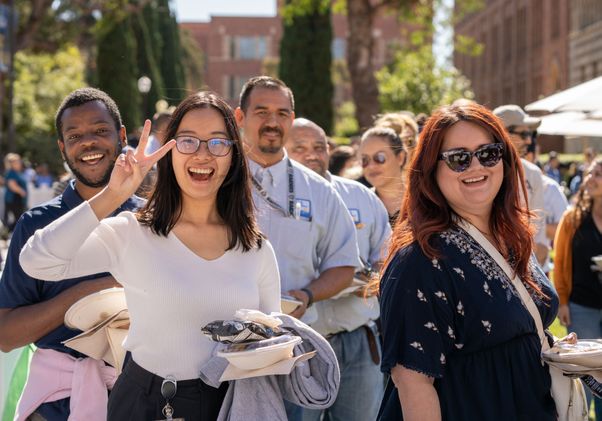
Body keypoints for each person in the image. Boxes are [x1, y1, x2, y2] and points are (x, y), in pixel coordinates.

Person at [19, 91, 281, 420]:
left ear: (233, 157)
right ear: (167, 152)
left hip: (226, 405)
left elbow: (274, 339)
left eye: (217, 143)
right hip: (140, 401)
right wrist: (112, 194)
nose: (202, 155)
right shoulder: (132, 232)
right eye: (187, 141)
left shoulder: (255, 248)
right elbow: (37, 261)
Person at [378, 103, 559, 420]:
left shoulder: (510, 239)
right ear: (432, 169)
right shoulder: (420, 261)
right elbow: (413, 383)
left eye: (488, 153)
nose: (476, 166)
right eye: (459, 159)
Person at [0, 87, 144, 420]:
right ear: (62, 148)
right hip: (54, 407)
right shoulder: (36, 227)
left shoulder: (154, 219)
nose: (89, 143)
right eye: (75, 135)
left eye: (100, 131)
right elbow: (6, 336)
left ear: (121, 136)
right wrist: (88, 292)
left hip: (141, 400)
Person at [234, 76, 359, 420]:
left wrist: (306, 295)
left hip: (295, 351)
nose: (273, 122)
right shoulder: (214, 181)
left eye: (282, 113)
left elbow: (344, 266)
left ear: (292, 119)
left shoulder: (320, 191)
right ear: (240, 117)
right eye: (261, 111)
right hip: (225, 348)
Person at [285, 117, 390, 421]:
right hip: (300, 345)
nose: (312, 154)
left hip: (357, 342)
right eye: (300, 147)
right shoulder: (273, 200)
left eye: (320, 147)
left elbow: (385, 259)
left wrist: (365, 279)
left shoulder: (361, 197)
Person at [554, 159, 602, 420]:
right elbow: (560, 261)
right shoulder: (572, 219)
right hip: (582, 305)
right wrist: (562, 300)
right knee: (589, 371)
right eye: (590, 173)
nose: (591, 178)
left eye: (598, 174)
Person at [493, 104, 549, 266]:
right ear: (503, 133)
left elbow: (538, 234)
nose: (529, 140)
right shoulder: (481, 174)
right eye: (523, 133)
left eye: (530, 134)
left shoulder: (533, 173)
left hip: (527, 267)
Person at [358, 127, 407, 225]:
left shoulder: (425, 201)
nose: (371, 166)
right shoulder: (357, 204)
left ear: (400, 158)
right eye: (365, 159)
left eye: (380, 157)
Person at [3, 153, 28, 232]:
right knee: (18, 219)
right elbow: (12, 185)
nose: (19, 163)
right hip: (14, 199)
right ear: (12, 163)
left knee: (18, 219)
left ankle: (6, 233)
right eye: (17, 162)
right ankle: (6, 233)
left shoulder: (17, 172)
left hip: (17, 199)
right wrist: (22, 191)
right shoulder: (11, 173)